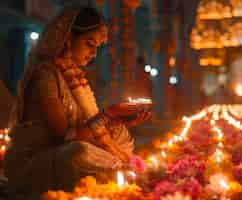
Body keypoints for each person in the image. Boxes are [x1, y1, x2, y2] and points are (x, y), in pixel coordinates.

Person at [4, 6, 151, 199]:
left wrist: (117, 121)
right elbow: (66, 135)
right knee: (79, 152)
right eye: (89, 44)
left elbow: (87, 128)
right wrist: (109, 114)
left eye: (97, 47)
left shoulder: (75, 76)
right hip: (39, 158)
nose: (94, 53)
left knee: (120, 136)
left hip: (66, 147)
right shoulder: (45, 75)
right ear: (67, 39)